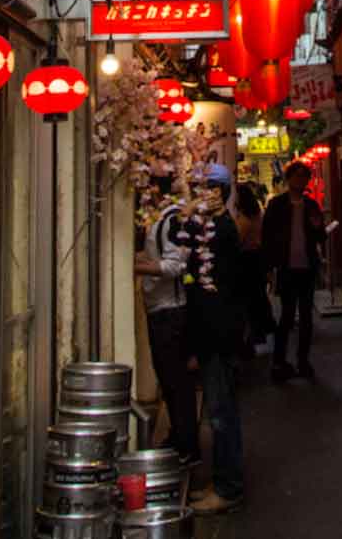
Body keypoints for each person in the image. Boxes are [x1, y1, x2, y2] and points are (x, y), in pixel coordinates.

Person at [180, 163, 246, 516]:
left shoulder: (219, 230)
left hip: (218, 335)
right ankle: (221, 480)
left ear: (218, 193)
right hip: (213, 334)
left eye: (199, 187)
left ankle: (228, 487)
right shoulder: (213, 227)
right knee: (219, 412)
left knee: (222, 414)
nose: (193, 193)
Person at [134, 197, 199, 466]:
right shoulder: (162, 221)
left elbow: (176, 266)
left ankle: (188, 446)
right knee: (169, 380)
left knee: (177, 381)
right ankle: (179, 437)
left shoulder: (172, 220)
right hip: (161, 310)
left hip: (170, 312)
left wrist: (137, 267)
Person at [262, 159, 326, 382]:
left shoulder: (311, 205)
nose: (300, 180)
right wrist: (269, 267)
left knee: (307, 317)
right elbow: (267, 237)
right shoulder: (277, 205)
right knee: (287, 316)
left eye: (303, 176)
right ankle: (279, 362)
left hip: (307, 268)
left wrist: (318, 228)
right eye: (296, 176)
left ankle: (303, 361)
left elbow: (321, 237)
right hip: (286, 267)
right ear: (288, 179)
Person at [236, 183, 276, 353]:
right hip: (257, 258)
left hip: (247, 260)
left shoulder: (244, 220)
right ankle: (263, 331)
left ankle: (254, 336)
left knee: (250, 299)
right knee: (257, 296)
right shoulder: (257, 213)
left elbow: (238, 241)